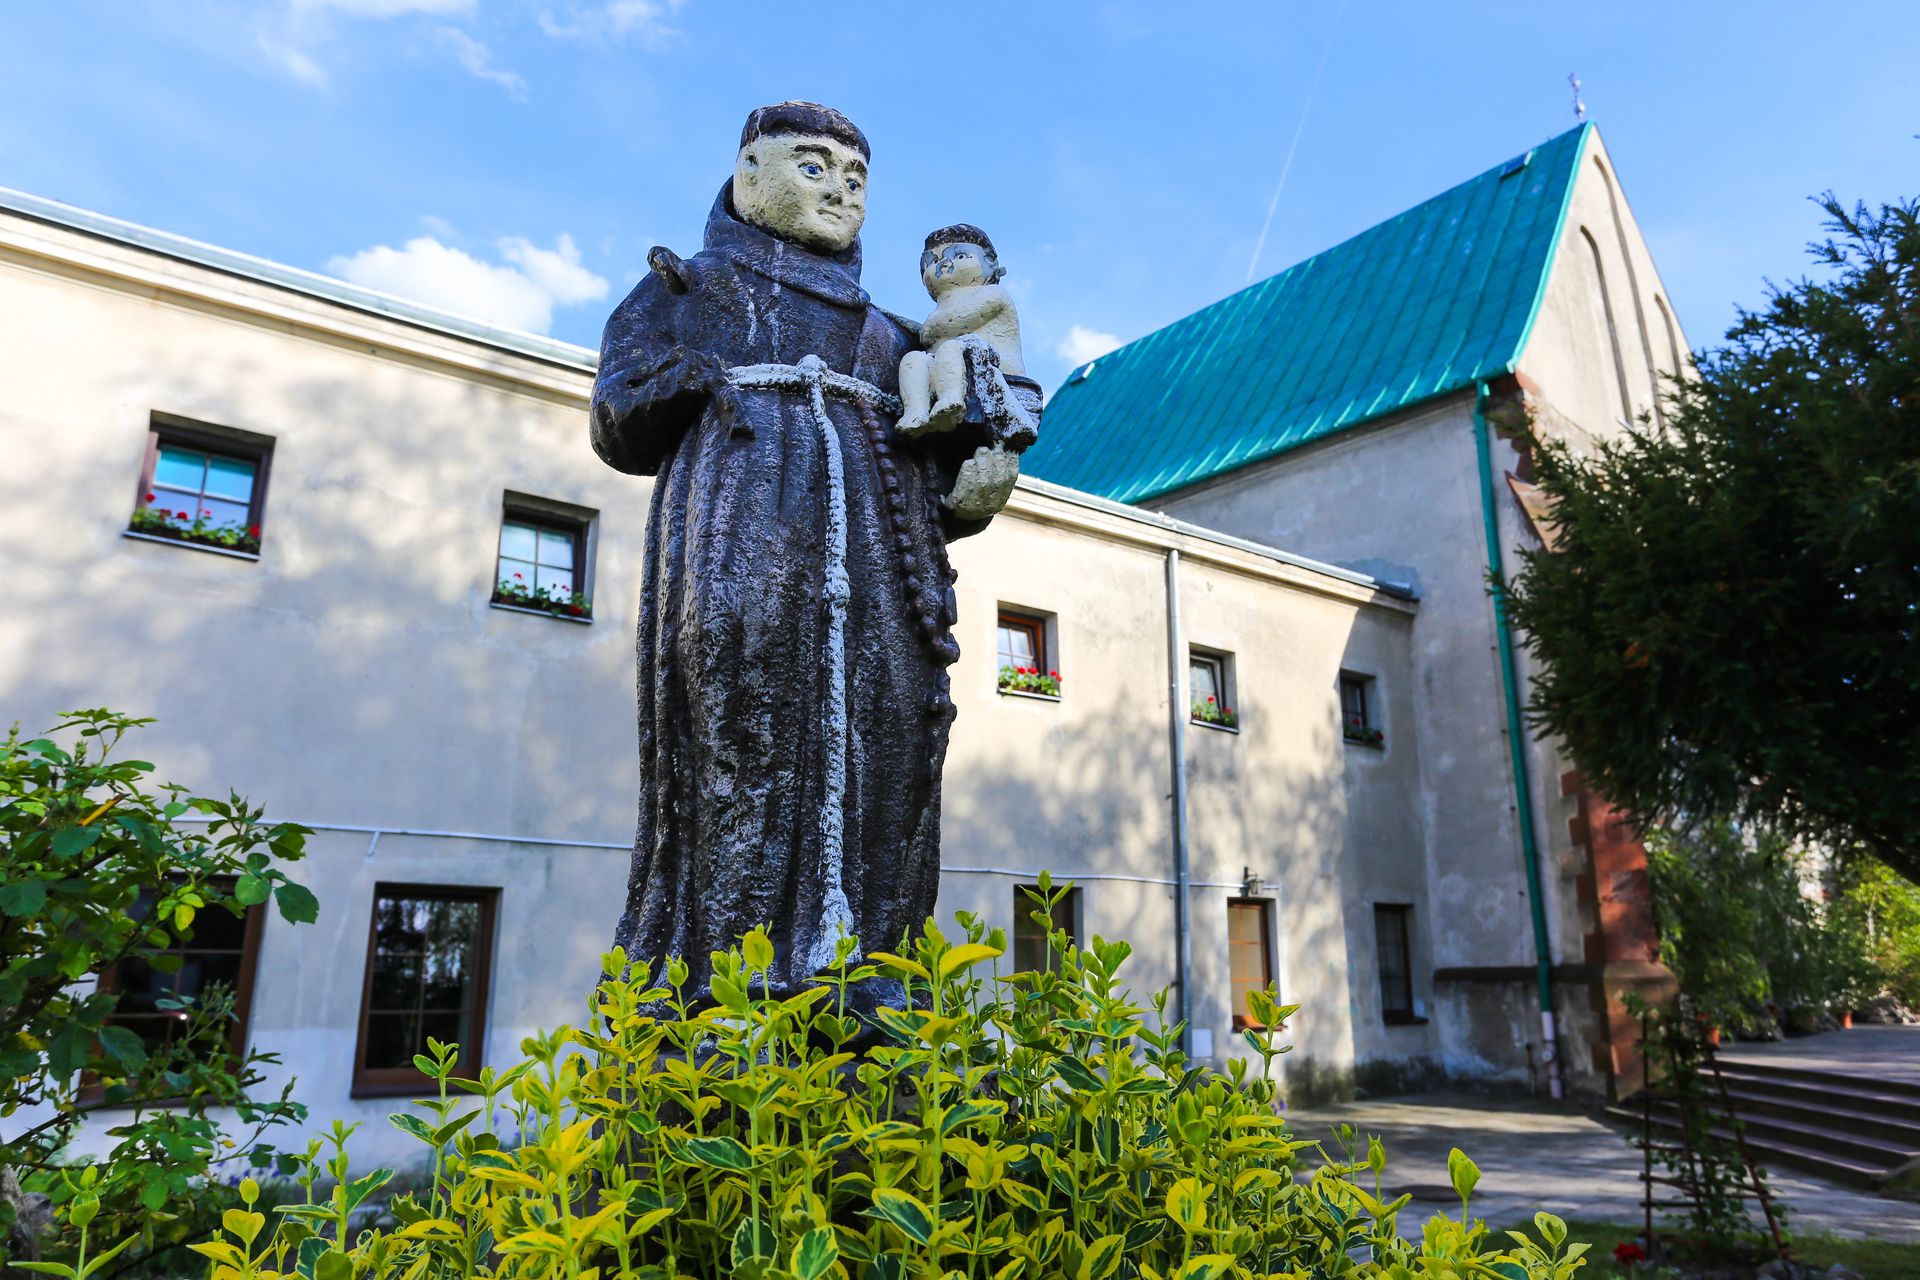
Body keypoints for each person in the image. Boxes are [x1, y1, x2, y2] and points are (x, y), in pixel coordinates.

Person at [588, 102, 1032, 1017]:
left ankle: (873, 984)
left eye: (856, 178)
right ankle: (726, 988)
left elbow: (939, 468)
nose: (841, 192)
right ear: (748, 173)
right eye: (814, 166)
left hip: (882, 576)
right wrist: (685, 381)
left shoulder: (890, 334)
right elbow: (616, 416)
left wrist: (972, 492)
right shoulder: (690, 289)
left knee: (895, 741)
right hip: (741, 535)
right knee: (742, 728)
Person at [896, 224, 1029, 445]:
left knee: (951, 348)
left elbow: (955, 321)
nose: (944, 263)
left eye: (959, 256)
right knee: (914, 360)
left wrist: (927, 329)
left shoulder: (994, 294)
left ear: (990, 263)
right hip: (947, 365)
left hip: (992, 365)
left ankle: (951, 401)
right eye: (932, 261)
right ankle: (916, 412)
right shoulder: (937, 312)